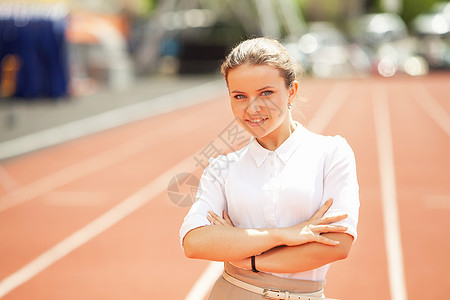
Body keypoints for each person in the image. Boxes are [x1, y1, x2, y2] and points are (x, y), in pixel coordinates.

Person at [179, 37, 359, 300]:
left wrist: (249, 258)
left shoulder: (331, 154)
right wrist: (288, 235)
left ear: (292, 92)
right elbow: (194, 242)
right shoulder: (222, 168)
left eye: (266, 93)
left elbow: (336, 245)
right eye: (240, 96)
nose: (252, 108)